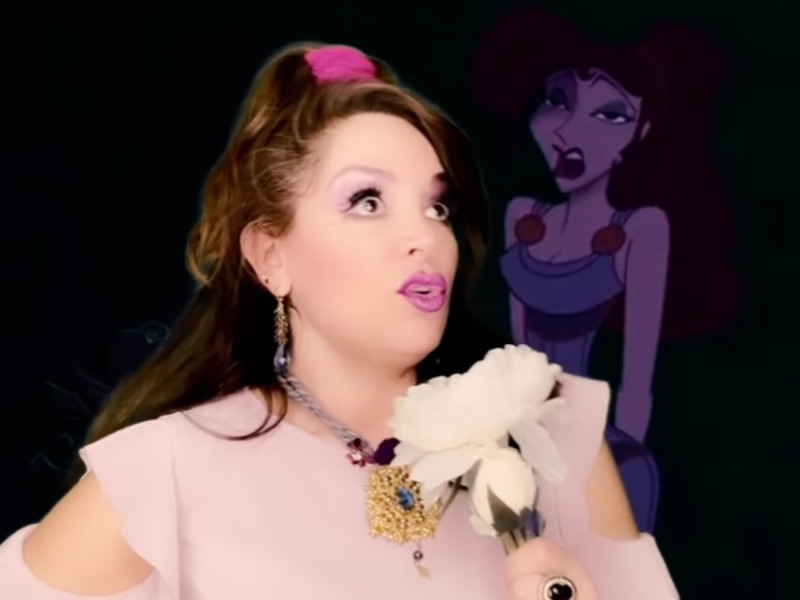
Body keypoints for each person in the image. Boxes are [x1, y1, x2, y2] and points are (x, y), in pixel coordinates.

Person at [0, 43, 678, 599]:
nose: (423, 236)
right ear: (271, 257)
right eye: (367, 201)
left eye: (437, 207)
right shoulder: (167, 471)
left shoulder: (554, 434)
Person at [470, 8, 740, 444]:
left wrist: (624, 457)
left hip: (598, 441)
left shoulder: (642, 228)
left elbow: (637, 381)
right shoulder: (523, 215)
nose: (567, 131)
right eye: (557, 101)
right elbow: (521, 361)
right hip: (526, 435)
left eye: (611, 115)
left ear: (641, 131)